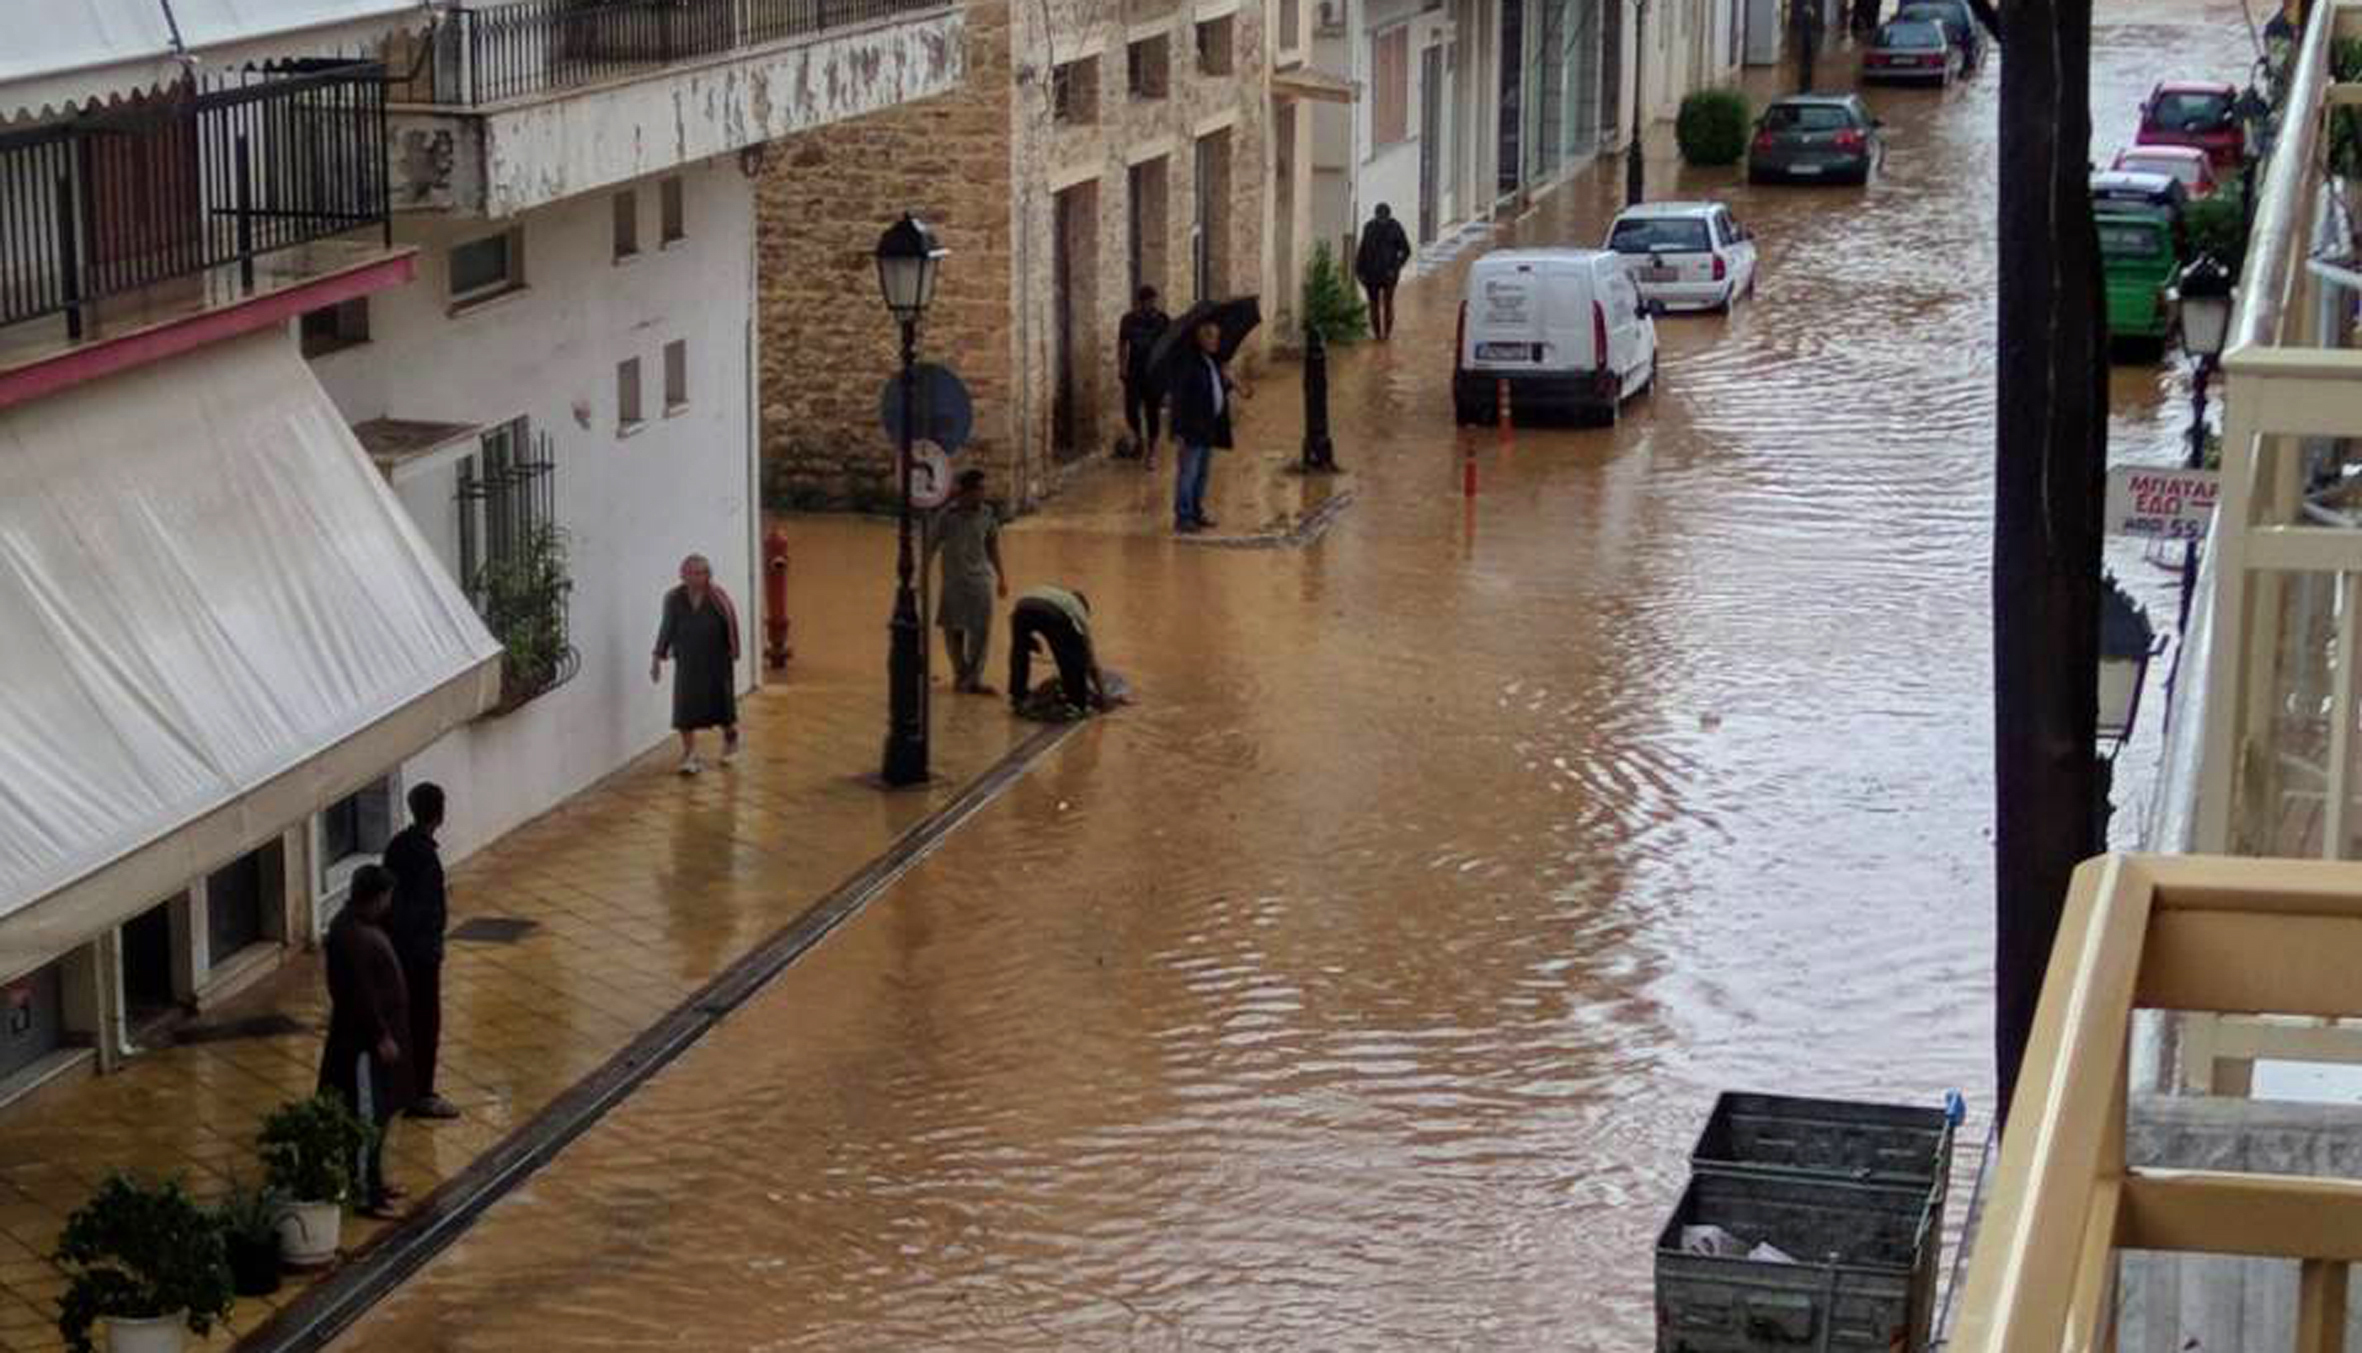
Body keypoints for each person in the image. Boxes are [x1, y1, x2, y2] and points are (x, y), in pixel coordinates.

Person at [318, 864, 410, 1219]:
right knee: (366, 1117)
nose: (388, 904)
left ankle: (375, 1180)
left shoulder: (358, 926)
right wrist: (381, 1035)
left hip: (369, 1040)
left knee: (379, 1116)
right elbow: (359, 994)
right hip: (360, 1045)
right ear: (374, 897)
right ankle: (366, 1193)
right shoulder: (350, 934)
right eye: (386, 897)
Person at [381, 782, 457, 1122]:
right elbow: (423, 910)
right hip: (420, 955)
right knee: (425, 1023)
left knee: (405, 1021)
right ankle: (421, 1093)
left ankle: (399, 1087)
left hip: (399, 951)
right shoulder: (424, 856)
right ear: (439, 813)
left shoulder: (397, 846)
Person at [650, 553, 741, 775]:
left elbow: (731, 625)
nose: (695, 578)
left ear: (708, 575)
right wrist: (657, 658)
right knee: (684, 707)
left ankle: (730, 738)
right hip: (687, 661)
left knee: (722, 706)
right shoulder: (673, 598)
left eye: (700, 573)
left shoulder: (718, 598)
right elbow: (667, 627)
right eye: (690, 573)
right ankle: (690, 755)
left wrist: (733, 652)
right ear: (682, 575)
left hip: (716, 660)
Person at [927, 468, 1008, 694]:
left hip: (981, 581)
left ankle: (973, 678)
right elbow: (930, 547)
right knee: (953, 630)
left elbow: (992, 546)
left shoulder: (987, 514)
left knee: (981, 632)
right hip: (954, 582)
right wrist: (920, 578)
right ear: (967, 492)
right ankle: (960, 673)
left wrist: (1002, 577)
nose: (984, 493)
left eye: (984, 489)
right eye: (980, 489)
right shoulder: (947, 516)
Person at [1167, 319, 1244, 534]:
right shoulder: (1188, 364)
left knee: (1202, 473)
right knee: (1188, 473)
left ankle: (1196, 511)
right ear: (1200, 338)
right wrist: (1177, 430)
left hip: (1208, 427)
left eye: (1217, 336)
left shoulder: (1211, 361)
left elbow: (1215, 390)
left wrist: (1229, 381)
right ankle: (1183, 517)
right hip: (1192, 428)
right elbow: (1179, 399)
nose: (1216, 340)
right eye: (1211, 336)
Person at [1008, 584, 1113, 715]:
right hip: (1052, 613)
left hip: (1022, 607)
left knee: (1019, 652)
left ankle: (1018, 694)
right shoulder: (1077, 610)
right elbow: (1090, 659)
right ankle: (1077, 703)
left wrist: (1026, 639)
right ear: (1084, 608)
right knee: (1072, 656)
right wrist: (1103, 694)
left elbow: (1013, 617)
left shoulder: (1055, 594)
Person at [1355, 203, 1413, 340]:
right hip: (1370, 274)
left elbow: (1406, 250)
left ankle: (1386, 335)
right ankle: (1377, 335)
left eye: (1383, 217)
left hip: (1389, 274)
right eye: (1378, 217)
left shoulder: (1396, 227)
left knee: (1388, 303)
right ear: (1375, 215)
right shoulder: (1369, 227)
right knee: (1373, 305)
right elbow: (1363, 250)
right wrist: (1359, 270)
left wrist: (1396, 267)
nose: (1381, 220)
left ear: (1388, 216)